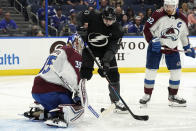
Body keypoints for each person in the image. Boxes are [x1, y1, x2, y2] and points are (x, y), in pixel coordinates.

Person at [140, 0, 195, 107]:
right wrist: (152, 41)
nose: (168, 8)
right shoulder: (157, 14)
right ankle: (147, 94)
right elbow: (146, 29)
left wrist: (187, 47)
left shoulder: (183, 18)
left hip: (172, 47)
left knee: (176, 72)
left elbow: (184, 36)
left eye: (171, 6)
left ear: (176, 6)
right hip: (156, 47)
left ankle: (173, 95)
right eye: (166, 6)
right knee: (151, 71)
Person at [23, 34, 86, 128]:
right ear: (74, 43)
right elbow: (74, 76)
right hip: (50, 93)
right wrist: (78, 94)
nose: (80, 48)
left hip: (36, 92)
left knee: (62, 92)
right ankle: (58, 115)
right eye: (79, 45)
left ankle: (42, 109)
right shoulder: (72, 52)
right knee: (73, 104)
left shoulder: (58, 51)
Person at [80, 6, 128, 113]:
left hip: (105, 51)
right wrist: (82, 26)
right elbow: (83, 15)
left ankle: (115, 102)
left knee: (113, 74)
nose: (108, 22)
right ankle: (76, 97)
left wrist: (105, 63)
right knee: (85, 73)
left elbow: (112, 48)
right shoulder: (94, 16)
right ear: (102, 16)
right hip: (89, 49)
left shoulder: (118, 29)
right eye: (106, 19)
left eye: (111, 20)